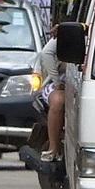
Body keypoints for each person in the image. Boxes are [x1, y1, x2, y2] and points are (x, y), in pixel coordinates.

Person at [39, 31, 65, 162]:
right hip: (63, 83)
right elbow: (46, 53)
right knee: (58, 100)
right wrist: (57, 82)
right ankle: (53, 147)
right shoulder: (71, 32)